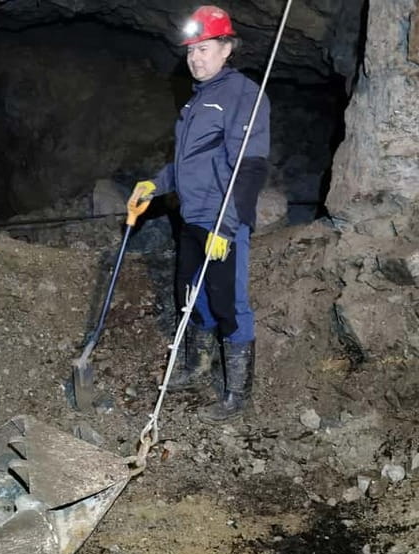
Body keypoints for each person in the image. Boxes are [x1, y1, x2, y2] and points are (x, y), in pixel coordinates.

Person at [129, 5, 270, 423]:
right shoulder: (196, 102)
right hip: (191, 218)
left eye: (205, 48)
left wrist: (227, 225)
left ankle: (237, 393)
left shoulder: (243, 94)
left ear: (227, 48)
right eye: (191, 50)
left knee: (229, 302)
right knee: (192, 294)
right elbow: (186, 164)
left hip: (221, 219)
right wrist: (154, 185)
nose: (196, 58)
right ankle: (198, 366)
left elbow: (250, 167)